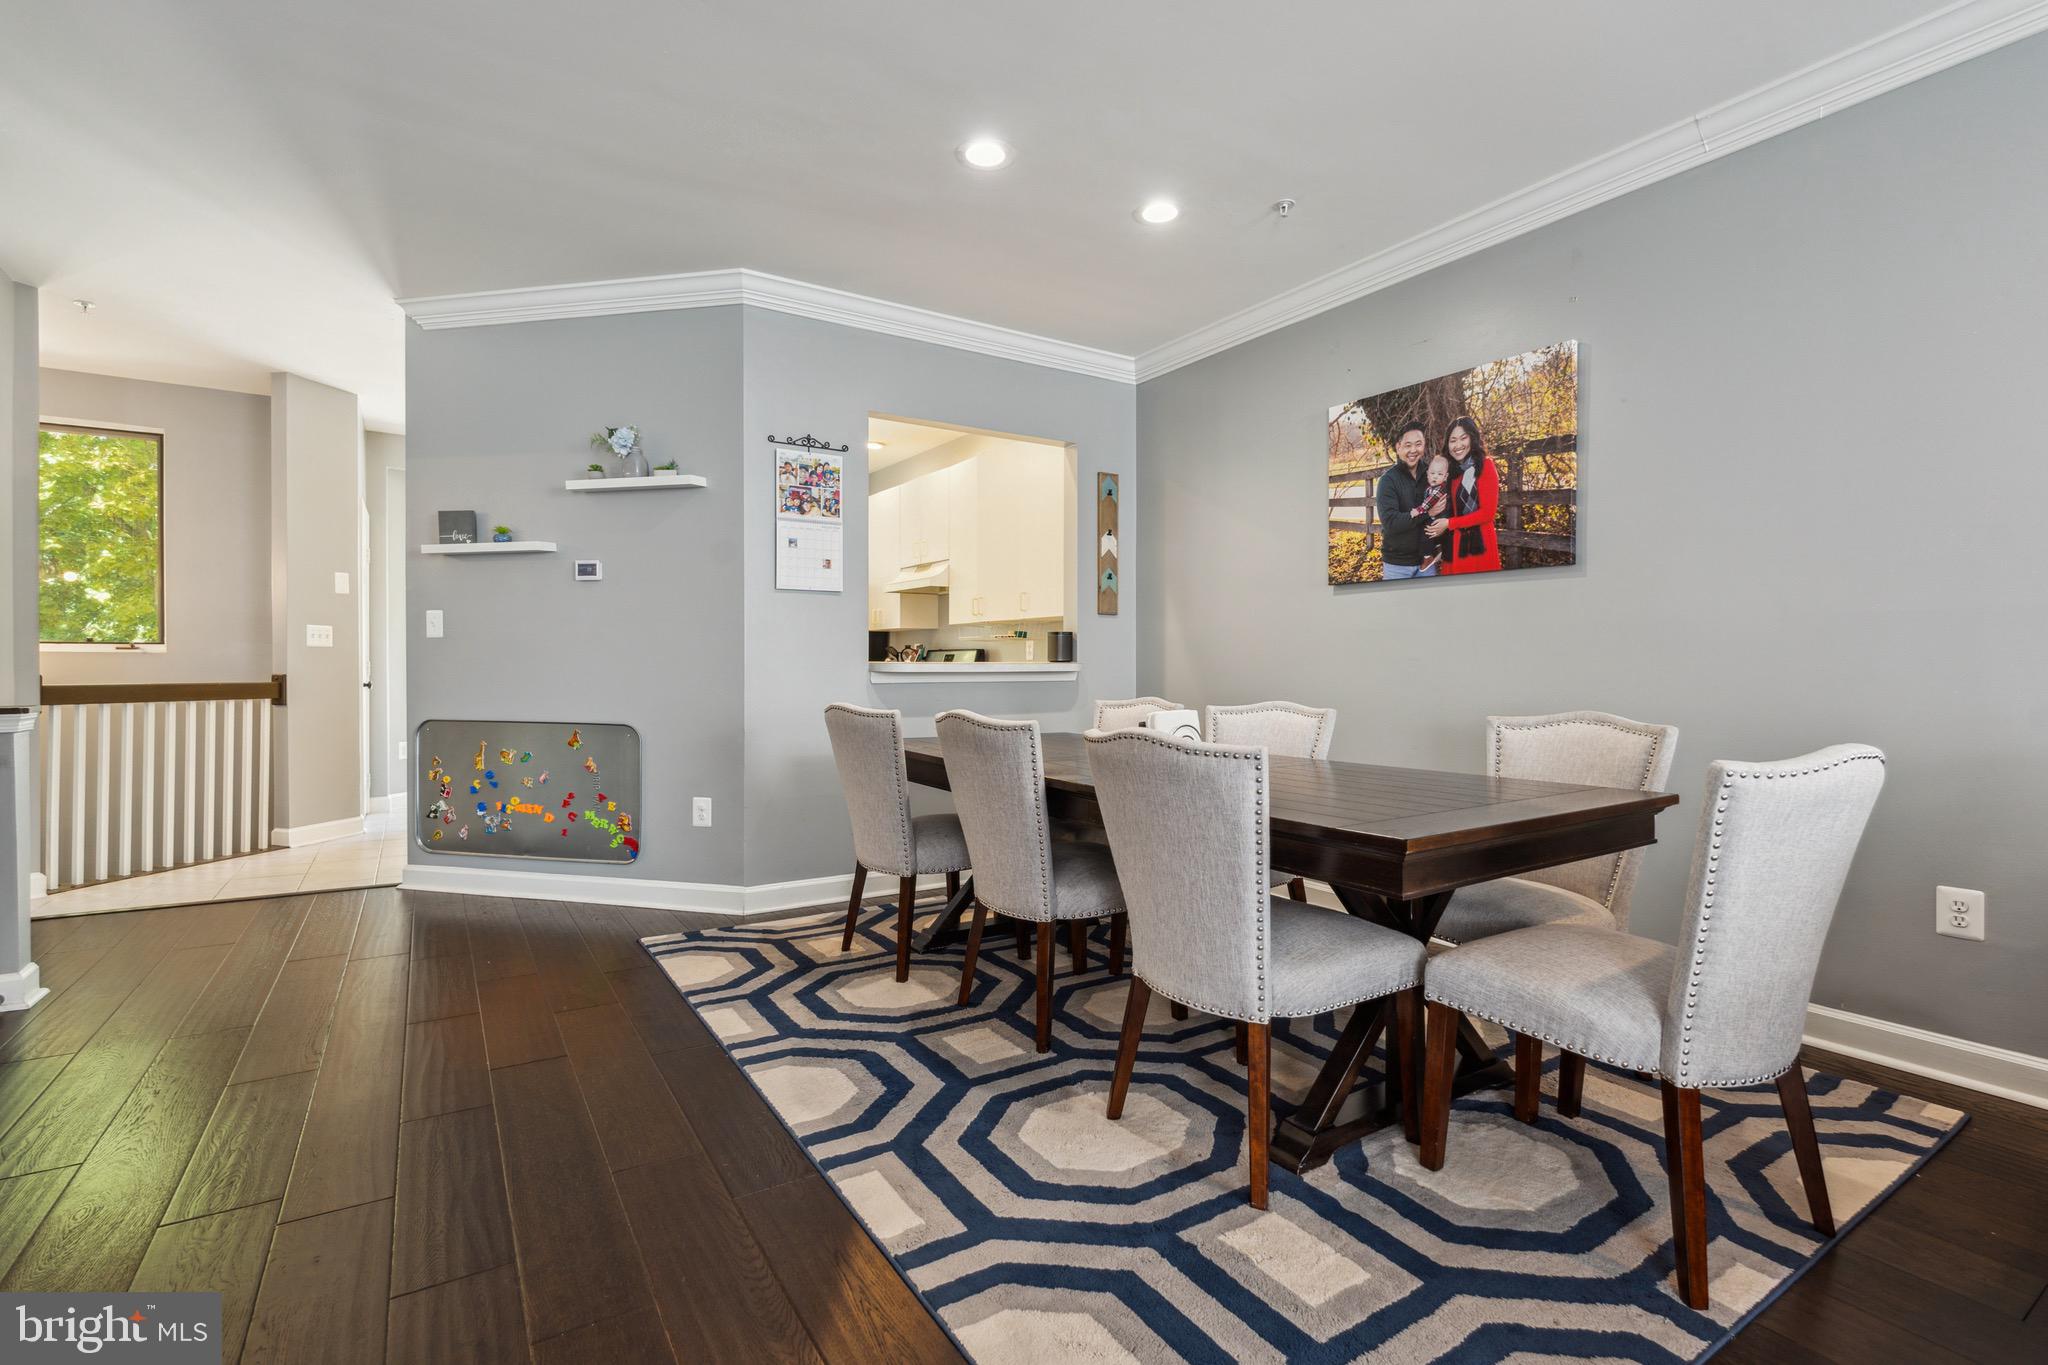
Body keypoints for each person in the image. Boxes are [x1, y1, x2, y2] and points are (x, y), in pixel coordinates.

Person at [1372, 421, 1449, 579]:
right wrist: (1428, 513)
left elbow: (1447, 506)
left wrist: (1443, 525)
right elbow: (1391, 522)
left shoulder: (1433, 474)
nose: (1413, 450)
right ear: (1398, 447)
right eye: (1408, 445)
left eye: (1418, 444)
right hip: (1397, 565)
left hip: (1428, 562)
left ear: (1424, 445)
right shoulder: (1388, 481)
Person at [1439, 415, 1501, 574]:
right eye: (1452, 440)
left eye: (1463, 438)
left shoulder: (1485, 466)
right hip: (1455, 544)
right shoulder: (1451, 473)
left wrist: (1450, 523)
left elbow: (1487, 513)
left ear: (1472, 438)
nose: (1458, 445)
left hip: (1480, 545)